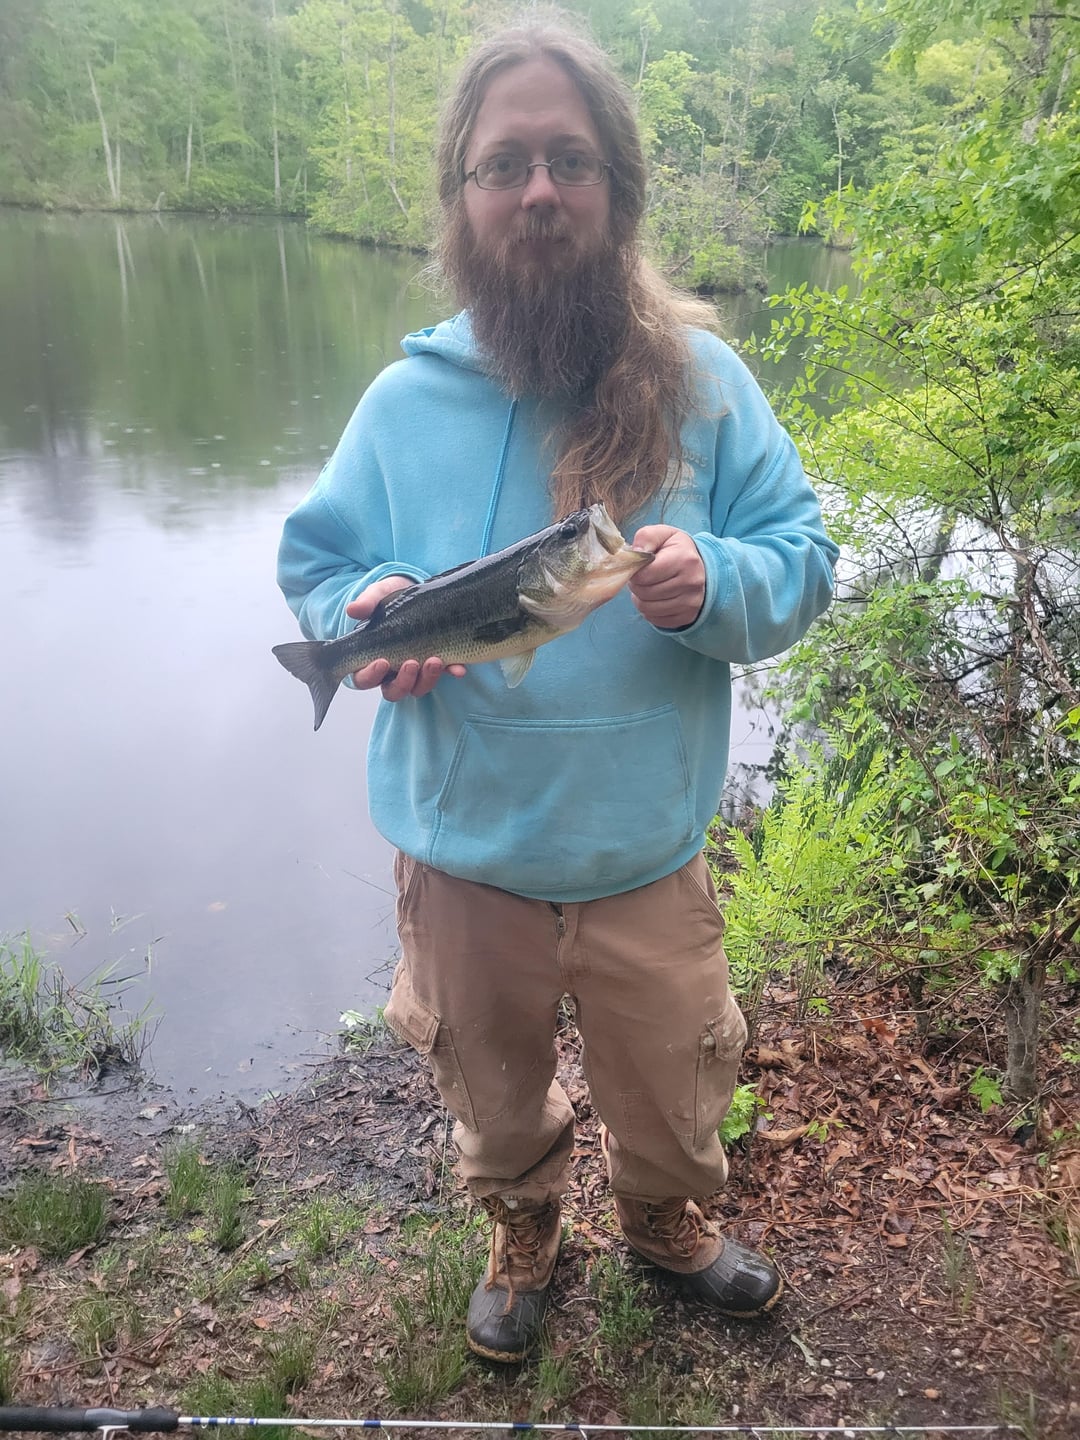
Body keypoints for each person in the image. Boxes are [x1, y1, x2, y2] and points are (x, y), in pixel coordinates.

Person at [277, 11, 838, 1365]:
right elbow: (321, 562)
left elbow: (803, 559)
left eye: (570, 161)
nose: (538, 191)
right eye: (505, 164)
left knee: (674, 1077)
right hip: (467, 858)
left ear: (618, 187)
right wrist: (358, 611)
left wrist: (718, 581)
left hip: (646, 849)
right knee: (492, 1086)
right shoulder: (400, 403)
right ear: (463, 196)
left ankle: (664, 1220)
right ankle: (525, 1226)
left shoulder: (705, 383)